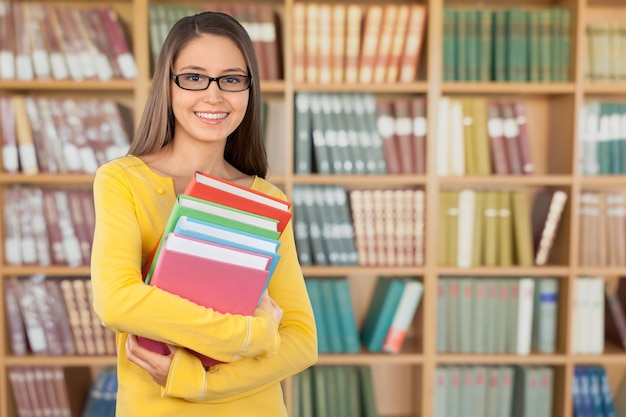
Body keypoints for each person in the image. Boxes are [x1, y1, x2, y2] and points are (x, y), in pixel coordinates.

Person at [90, 11, 317, 417]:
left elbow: (301, 342)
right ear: (169, 85)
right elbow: (117, 301)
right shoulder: (122, 181)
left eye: (231, 79)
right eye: (194, 77)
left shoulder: (267, 199)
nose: (214, 96)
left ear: (249, 89)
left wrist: (199, 382)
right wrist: (251, 334)